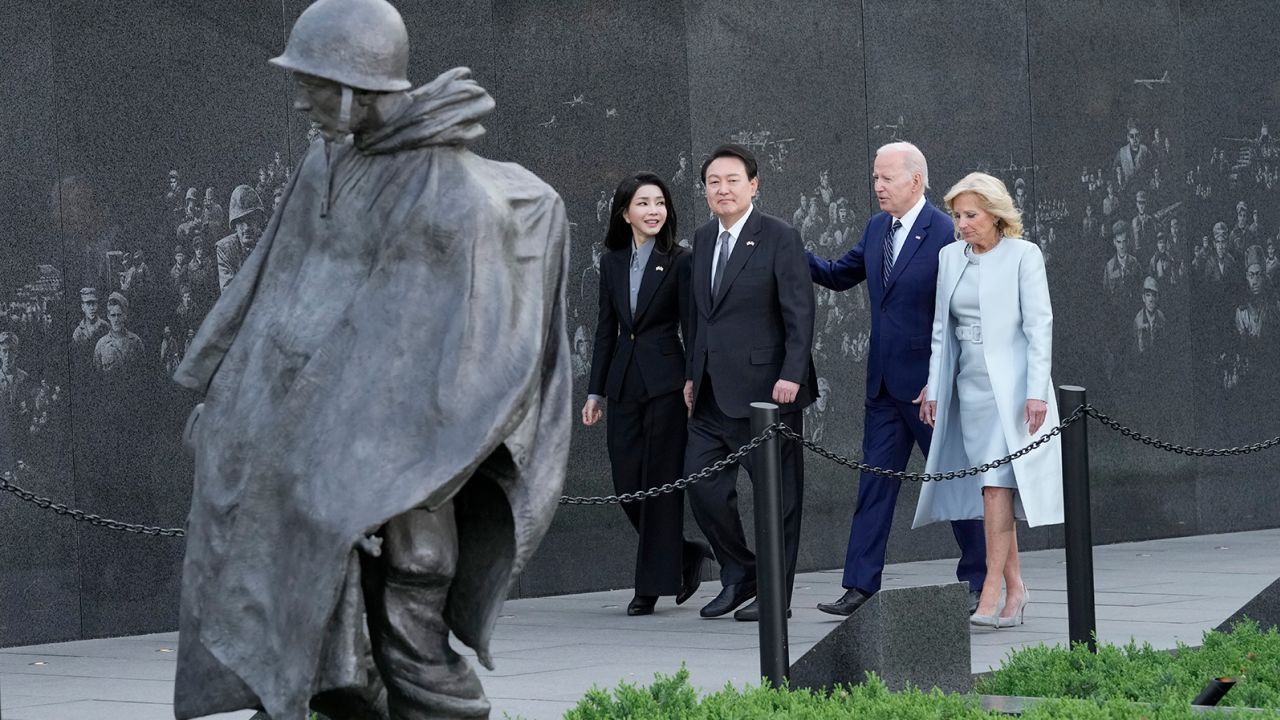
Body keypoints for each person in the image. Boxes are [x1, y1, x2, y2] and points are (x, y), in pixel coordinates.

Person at [171, 1, 572, 717]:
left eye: (316, 85)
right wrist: (231, 395)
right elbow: (280, 287)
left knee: (414, 605)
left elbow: (470, 374)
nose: (302, 102)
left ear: (363, 87)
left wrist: (378, 481)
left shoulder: (455, 198)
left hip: (410, 452)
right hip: (311, 432)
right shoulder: (326, 157)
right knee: (306, 611)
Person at [806, 142, 986, 617]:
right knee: (874, 486)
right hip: (884, 388)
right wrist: (789, 250)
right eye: (875, 178)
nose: (878, 186)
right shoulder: (876, 228)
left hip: (931, 389)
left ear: (916, 181)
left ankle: (978, 578)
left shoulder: (947, 232)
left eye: (886, 178)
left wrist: (941, 379)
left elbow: (964, 313)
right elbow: (837, 274)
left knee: (954, 482)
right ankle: (860, 586)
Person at [916, 172, 1063, 629]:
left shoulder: (1024, 255)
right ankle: (1017, 589)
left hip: (1014, 391)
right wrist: (934, 387)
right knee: (989, 491)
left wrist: (1036, 393)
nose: (962, 224)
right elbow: (942, 331)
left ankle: (992, 590)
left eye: (971, 215)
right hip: (970, 389)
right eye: (957, 215)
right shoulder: (948, 257)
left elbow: (1040, 327)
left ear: (996, 215)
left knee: (998, 486)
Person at [682, 143, 816, 622]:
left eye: (732, 180)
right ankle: (740, 574)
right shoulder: (701, 239)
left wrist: (791, 376)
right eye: (714, 182)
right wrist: (691, 375)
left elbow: (800, 314)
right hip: (711, 394)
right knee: (702, 488)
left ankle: (775, 596)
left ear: (754, 185)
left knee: (778, 501)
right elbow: (699, 316)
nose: (723, 189)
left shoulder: (780, 236)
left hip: (767, 393)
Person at [581, 172, 710, 616]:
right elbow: (604, 331)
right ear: (625, 213)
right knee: (626, 483)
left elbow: (693, 328)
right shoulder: (612, 262)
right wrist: (595, 392)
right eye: (643, 203)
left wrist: (694, 379)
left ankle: (650, 586)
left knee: (660, 484)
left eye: (660, 203)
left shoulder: (681, 260)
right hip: (623, 384)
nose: (654, 211)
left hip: (667, 384)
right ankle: (683, 553)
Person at [215, 185, 264, 292]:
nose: (246, 228)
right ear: (235, 226)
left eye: (251, 220)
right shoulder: (226, 249)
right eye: (241, 221)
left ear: (258, 221)